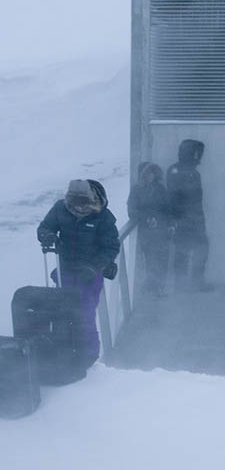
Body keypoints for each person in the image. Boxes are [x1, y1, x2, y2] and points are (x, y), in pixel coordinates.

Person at [36, 179, 120, 368]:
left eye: (83, 203)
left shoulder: (103, 217)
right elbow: (45, 227)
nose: (79, 208)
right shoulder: (60, 209)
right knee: (64, 311)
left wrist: (95, 266)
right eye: (74, 203)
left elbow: (111, 246)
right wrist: (47, 235)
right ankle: (67, 350)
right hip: (66, 270)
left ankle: (89, 357)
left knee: (85, 314)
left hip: (90, 273)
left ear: (90, 199)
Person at [167, 139, 212, 292]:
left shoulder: (193, 172)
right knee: (182, 252)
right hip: (183, 220)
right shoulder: (177, 171)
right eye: (197, 153)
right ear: (191, 153)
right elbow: (174, 198)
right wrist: (176, 220)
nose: (199, 157)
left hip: (196, 219)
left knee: (201, 249)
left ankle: (195, 282)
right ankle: (180, 285)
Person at [127, 162, 173, 297]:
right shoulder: (136, 190)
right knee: (151, 260)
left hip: (162, 230)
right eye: (147, 173)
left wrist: (171, 224)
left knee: (163, 259)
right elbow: (132, 211)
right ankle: (151, 287)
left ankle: (160, 287)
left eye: (152, 172)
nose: (150, 175)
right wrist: (147, 218)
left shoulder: (160, 188)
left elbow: (168, 208)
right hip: (147, 232)